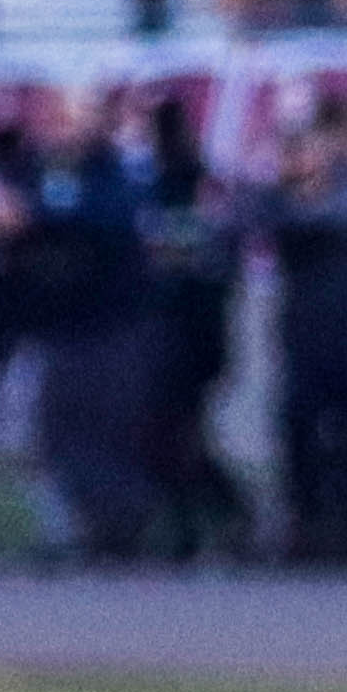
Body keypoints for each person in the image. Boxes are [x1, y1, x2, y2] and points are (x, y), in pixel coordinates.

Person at [0, 88, 155, 559]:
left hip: (109, 326)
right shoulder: (24, 171)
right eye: (54, 118)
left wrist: (35, 219)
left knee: (109, 433)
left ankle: (120, 534)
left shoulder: (116, 170)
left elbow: (110, 219)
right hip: (47, 328)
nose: (62, 129)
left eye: (73, 117)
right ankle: (70, 529)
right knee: (50, 435)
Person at [256, 110, 347, 569]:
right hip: (307, 334)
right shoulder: (275, 201)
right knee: (299, 425)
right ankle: (307, 523)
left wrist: (310, 198)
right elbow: (253, 219)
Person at [134, 95, 251, 564]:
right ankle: (202, 519)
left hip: (190, 330)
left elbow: (195, 260)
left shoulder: (187, 185)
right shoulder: (177, 184)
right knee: (172, 433)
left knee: (177, 432)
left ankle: (216, 515)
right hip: (184, 329)